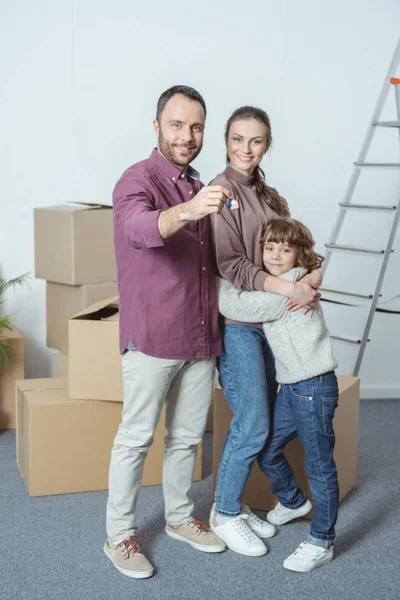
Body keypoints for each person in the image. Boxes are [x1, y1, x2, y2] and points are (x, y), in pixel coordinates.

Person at [104, 85, 231, 579]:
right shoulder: (136, 180)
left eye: (196, 126)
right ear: (156, 126)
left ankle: (179, 518)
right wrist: (189, 211)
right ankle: (118, 536)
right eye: (177, 125)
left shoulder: (200, 181)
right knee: (135, 439)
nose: (187, 135)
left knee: (184, 439)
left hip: (200, 335)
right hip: (153, 336)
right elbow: (138, 229)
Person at [208, 106, 321, 557]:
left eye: (255, 141)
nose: (245, 149)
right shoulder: (219, 192)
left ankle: (277, 501)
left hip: (273, 323)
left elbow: (294, 250)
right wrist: (285, 285)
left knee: (268, 422)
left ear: (267, 144)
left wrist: (309, 279)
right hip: (239, 325)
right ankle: (225, 513)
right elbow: (230, 265)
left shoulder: (269, 196)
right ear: (226, 140)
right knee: (254, 424)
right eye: (237, 139)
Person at [215, 217, 339, 573]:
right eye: (269, 247)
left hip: (314, 387)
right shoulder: (297, 279)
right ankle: (292, 500)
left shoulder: (284, 288)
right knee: (268, 446)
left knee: (319, 467)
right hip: (292, 388)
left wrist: (213, 272)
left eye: (285, 249)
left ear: (299, 254)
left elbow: (234, 306)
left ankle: (321, 541)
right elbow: (319, 265)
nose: (275, 255)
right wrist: (315, 274)